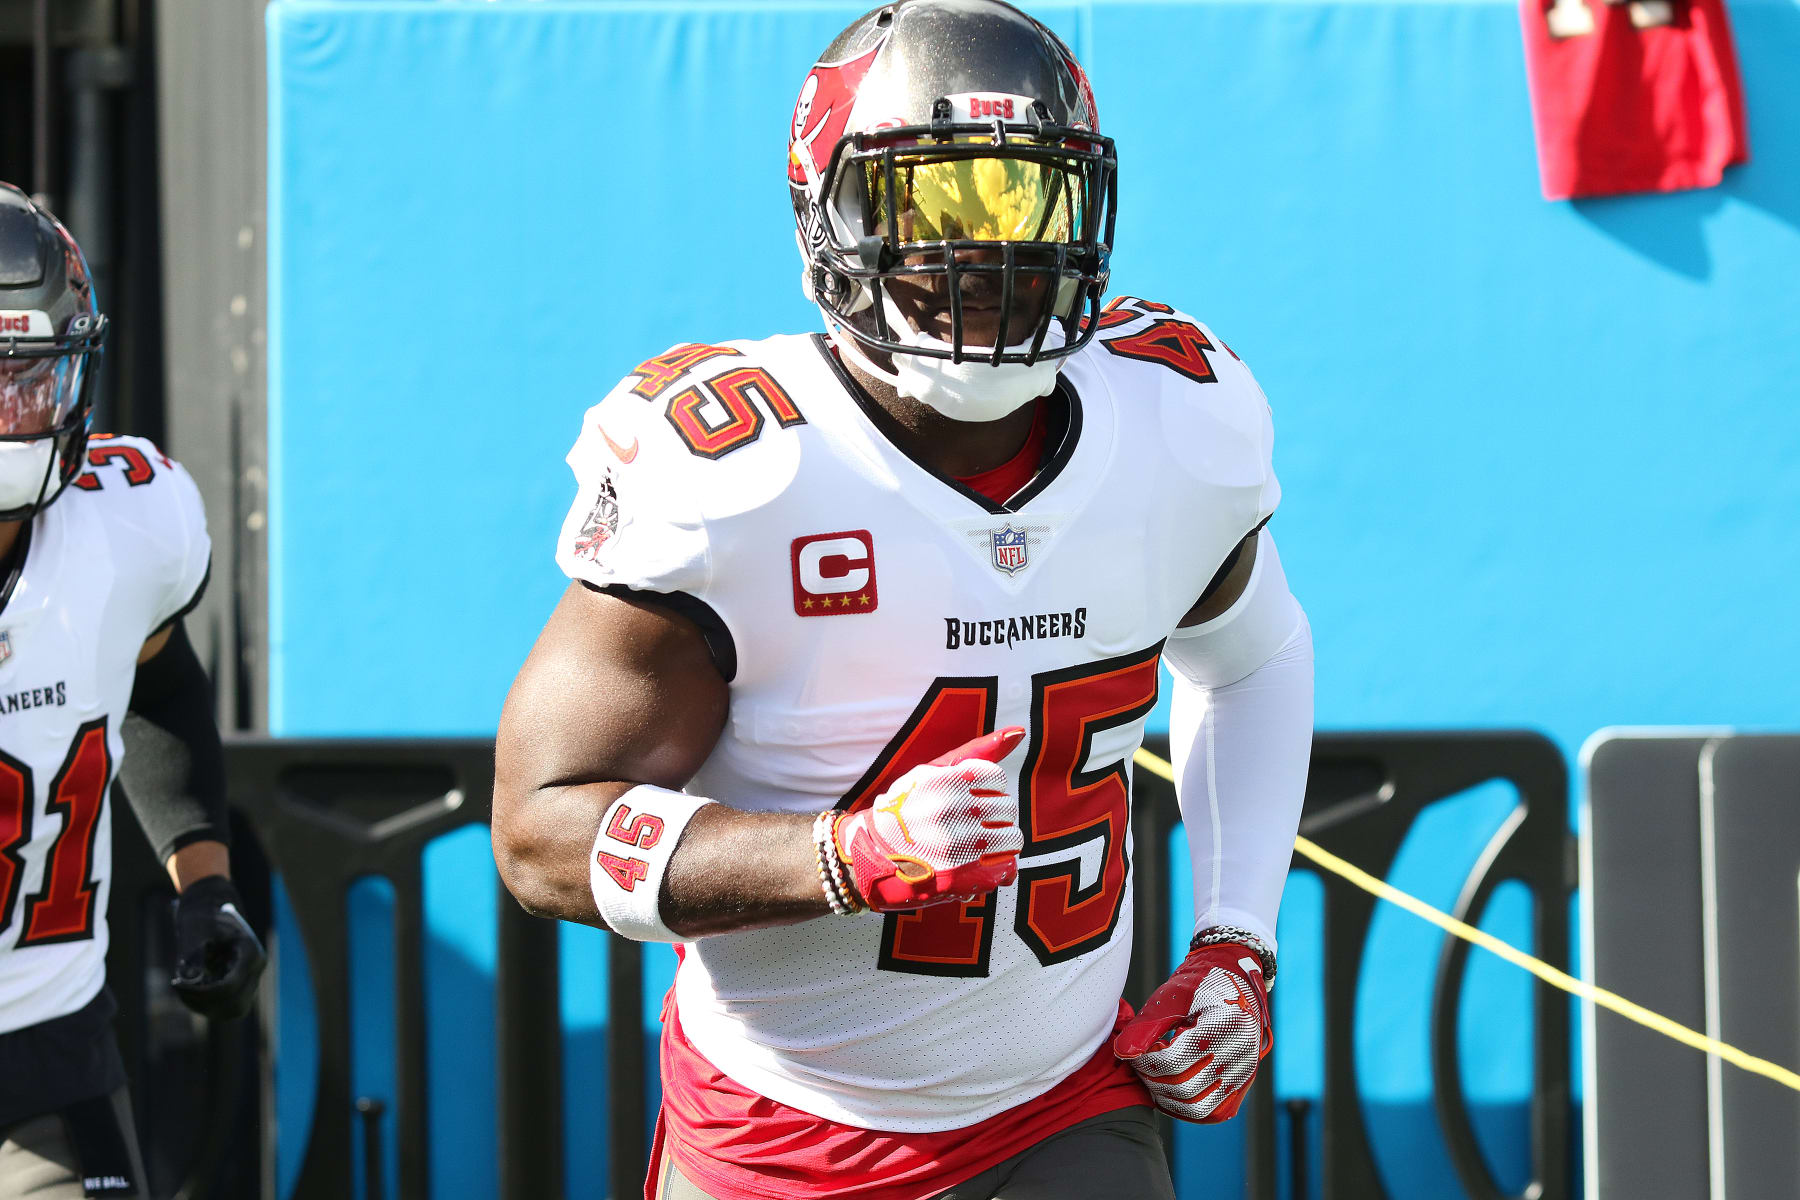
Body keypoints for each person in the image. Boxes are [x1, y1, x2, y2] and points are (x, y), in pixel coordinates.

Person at [493, 3, 1314, 1197]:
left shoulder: (1171, 421)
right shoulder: (743, 472)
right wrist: (844, 855)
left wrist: (1237, 942)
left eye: (1028, 204)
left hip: (1065, 1107)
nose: (995, 262)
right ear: (829, 214)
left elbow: (1252, 659)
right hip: (785, 1133)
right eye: (937, 210)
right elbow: (540, 830)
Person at [0, 183, 266, 1199]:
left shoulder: (126, 527)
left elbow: (156, 679)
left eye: (23, 379)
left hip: (46, 1053)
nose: (8, 416)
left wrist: (205, 885)